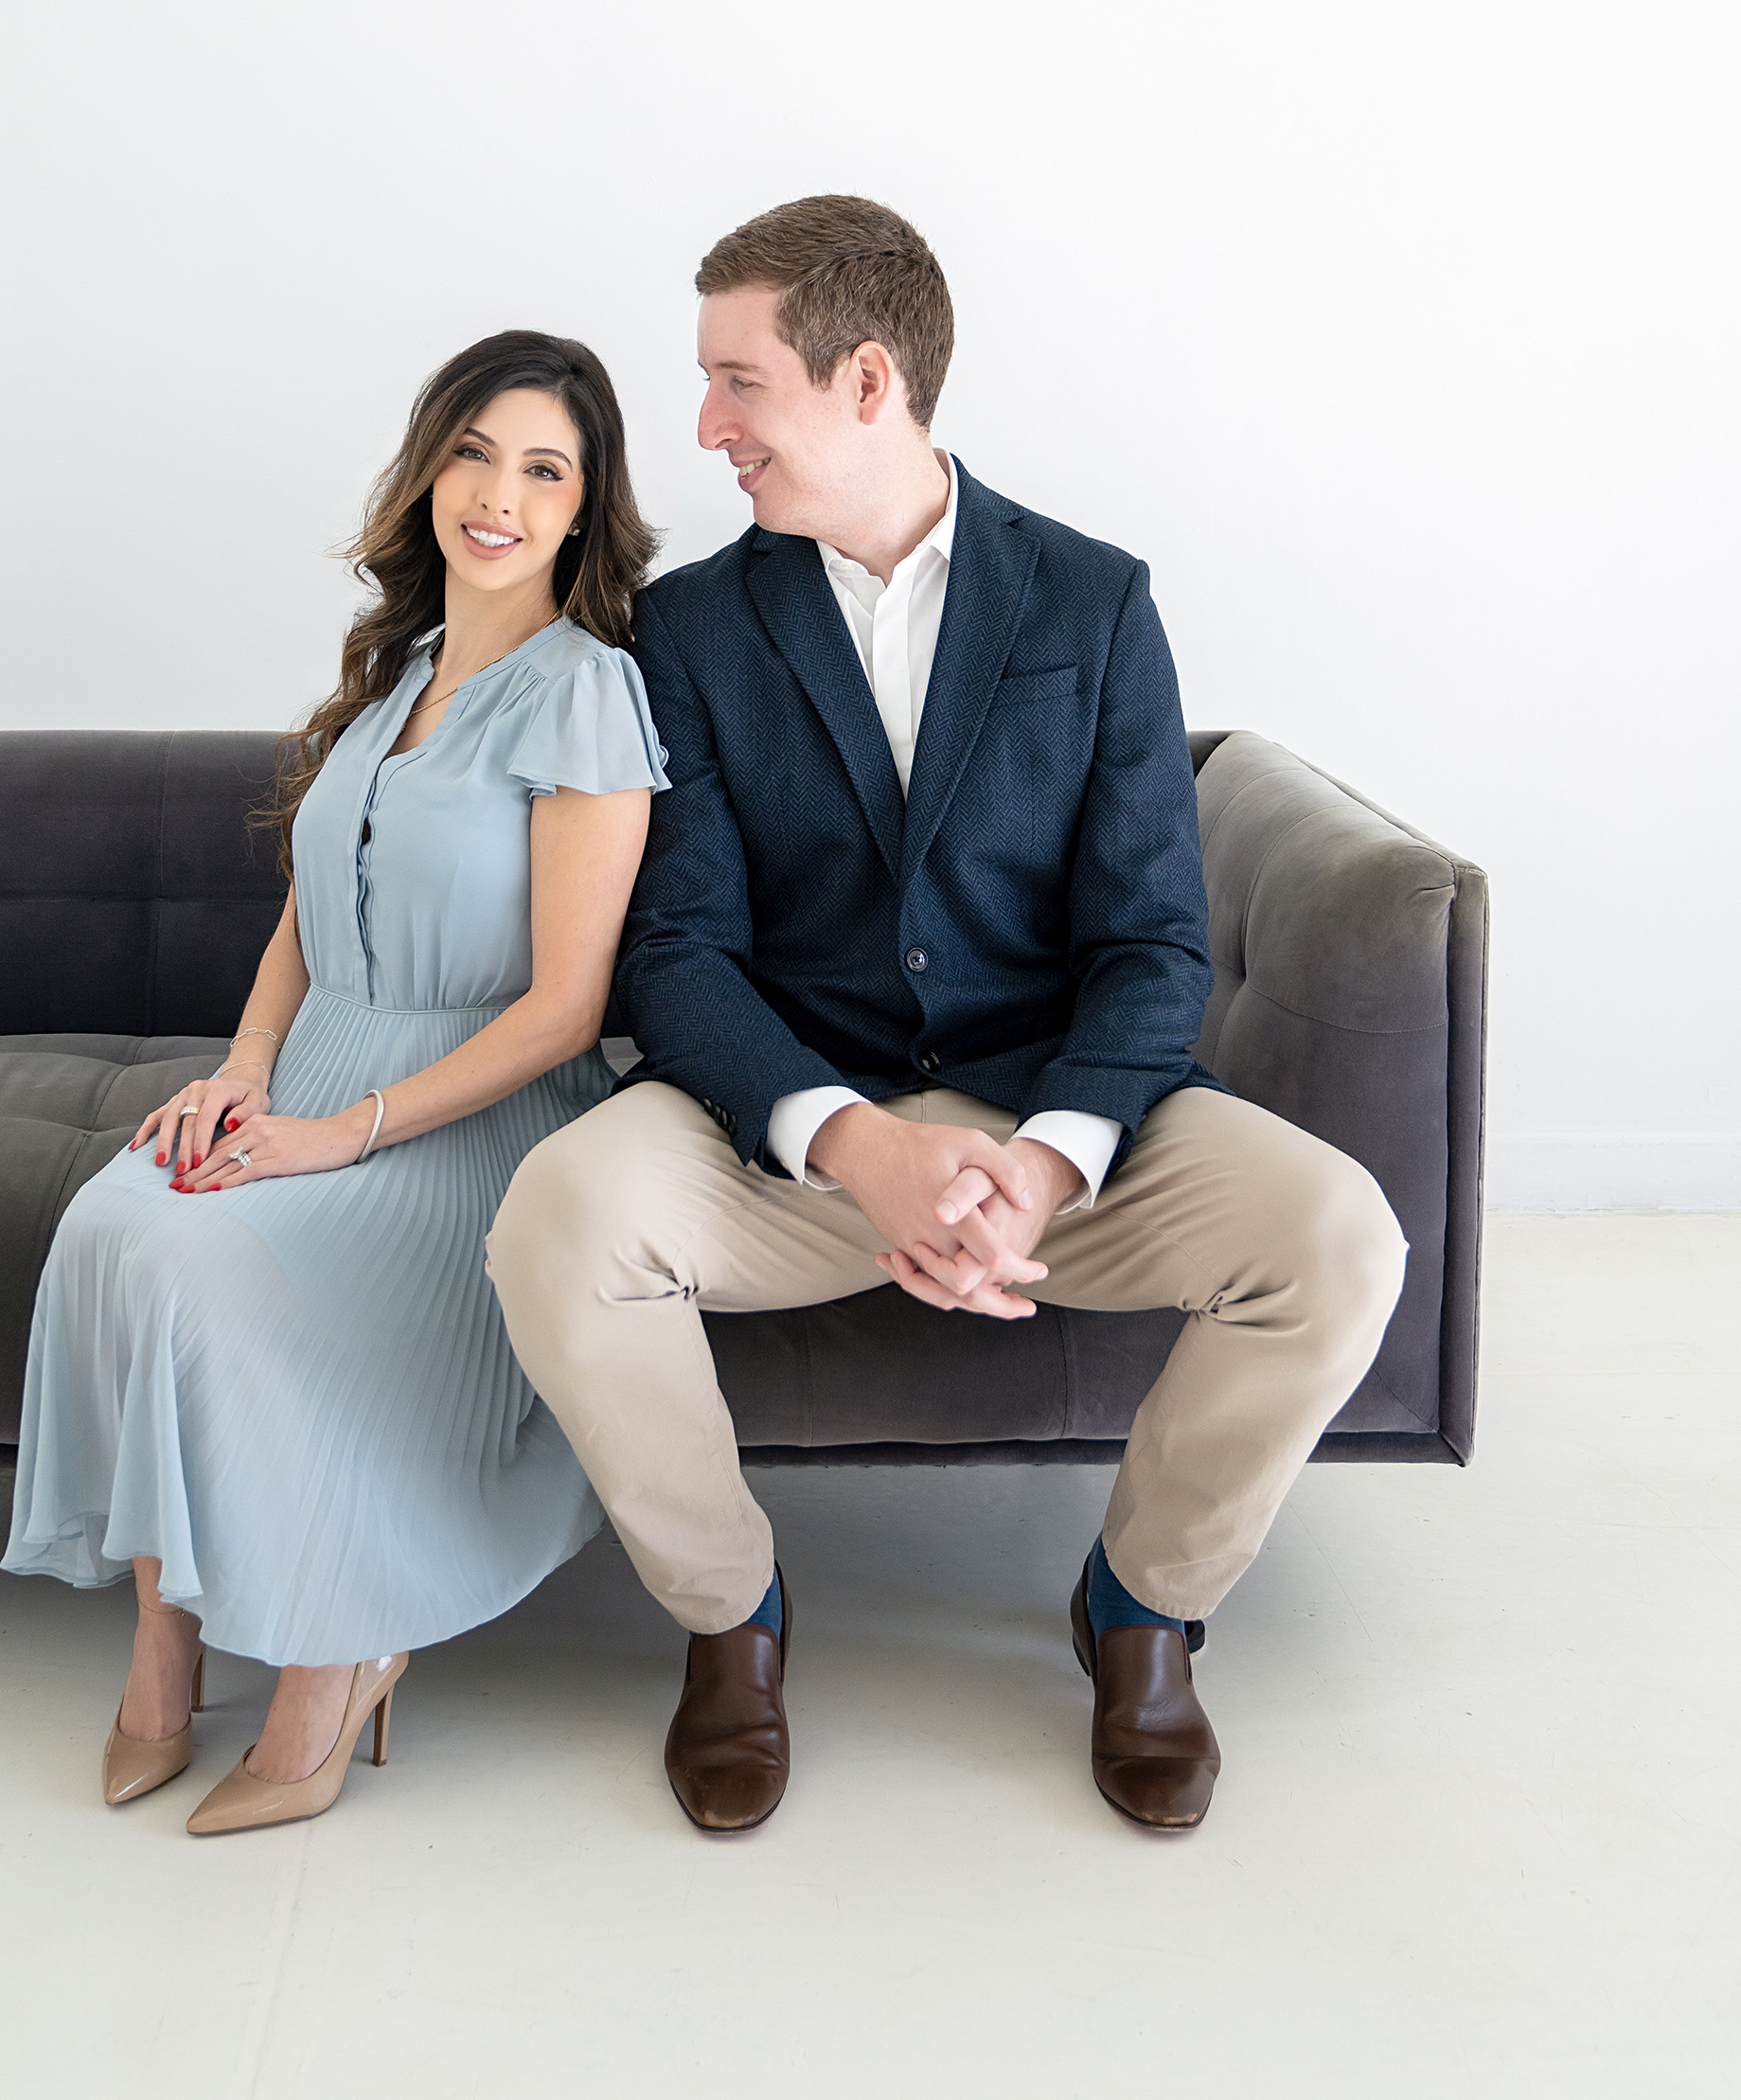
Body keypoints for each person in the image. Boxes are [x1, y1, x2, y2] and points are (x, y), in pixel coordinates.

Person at [487, 198, 1408, 1835]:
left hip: (1060, 1129)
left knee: (1341, 1236)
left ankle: (1140, 1605)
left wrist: (1043, 1165)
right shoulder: (687, 629)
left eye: (734, 382)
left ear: (862, 381)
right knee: (558, 1218)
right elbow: (677, 953)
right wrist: (853, 1143)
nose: (702, 427)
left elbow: (1150, 944)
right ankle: (729, 1612)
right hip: (793, 1142)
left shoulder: (1091, 602)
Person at [2, 331, 667, 1836]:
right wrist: (239, 1078)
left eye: (543, 469)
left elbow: (567, 1009)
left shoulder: (587, 695)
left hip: (465, 1114)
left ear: (583, 509)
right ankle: (163, 1639)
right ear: (431, 467)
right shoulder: (401, 673)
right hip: (310, 1077)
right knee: (117, 1224)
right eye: (473, 453)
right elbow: (305, 916)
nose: (498, 494)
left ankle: (339, 1652)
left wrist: (337, 1136)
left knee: (187, 1256)